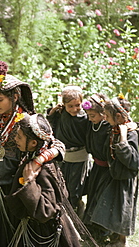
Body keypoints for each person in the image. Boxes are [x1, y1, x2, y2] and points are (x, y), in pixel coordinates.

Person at [0, 61, 64, 247]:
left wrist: (38, 161)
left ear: (14, 97)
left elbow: (58, 145)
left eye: (0, 100)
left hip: (10, 193)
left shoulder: (26, 122)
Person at [4, 112, 84, 247]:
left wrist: (30, 183)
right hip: (34, 228)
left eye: (19, 136)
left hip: (45, 232)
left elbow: (45, 211)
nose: (15, 139)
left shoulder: (45, 169)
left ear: (33, 142)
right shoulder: (32, 155)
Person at [90, 95, 139, 247]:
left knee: (124, 209)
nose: (104, 118)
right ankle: (113, 236)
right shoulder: (114, 128)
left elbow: (133, 161)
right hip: (115, 175)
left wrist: (124, 140)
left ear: (118, 116)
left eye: (107, 116)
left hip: (125, 178)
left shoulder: (130, 133)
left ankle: (121, 240)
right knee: (115, 207)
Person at [47, 86, 90, 217]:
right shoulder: (61, 115)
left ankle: (75, 212)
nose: (74, 109)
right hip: (63, 155)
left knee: (75, 187)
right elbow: (49, 123)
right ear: (63, 105)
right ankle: (63, 213)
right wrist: (53, 111)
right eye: (70, 106)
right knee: (61, 184)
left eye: (77, 105)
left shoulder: (86, 117)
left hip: (79, 156)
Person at [81, 93, 112, 244]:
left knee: (101, 197)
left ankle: (103, 231)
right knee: (92, 194)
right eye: (88, 115)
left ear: (103, 114)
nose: (90, 118)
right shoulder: (92, 124)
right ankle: (91, 225)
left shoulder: (107, 128)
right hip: (96, 167)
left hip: (107, 170)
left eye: (93, 115)